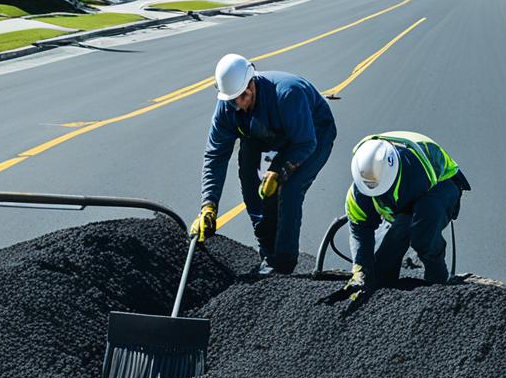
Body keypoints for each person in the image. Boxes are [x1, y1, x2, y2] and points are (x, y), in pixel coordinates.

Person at [192, 54, 336, 275]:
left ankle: (284, 264)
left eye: (242, 96)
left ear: (252, 82)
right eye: (232, 100)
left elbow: (305, 142)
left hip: (312, 134)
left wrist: (278, 170)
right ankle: (268, 253)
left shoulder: (288, 94)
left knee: (289, 189)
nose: (238, 104)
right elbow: (215, 156)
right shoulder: (228, 107)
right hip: (266, 133)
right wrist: (208, 205)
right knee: (251, 184)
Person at [341, 132, 470, 293]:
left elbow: (420, 217)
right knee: (379, 272)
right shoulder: (358, 192)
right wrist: (361, 269)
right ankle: (384, 282)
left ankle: (439, 280)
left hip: (441, 183)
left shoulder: (415, 172)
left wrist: (407, 233)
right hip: (403, 195)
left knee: (422, 234)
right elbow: (360, 230)